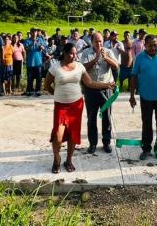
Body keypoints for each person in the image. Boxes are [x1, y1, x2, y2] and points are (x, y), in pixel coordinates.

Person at [44, 43, 115, 173]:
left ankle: (69, 160)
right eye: (71, 53)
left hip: (76, 105)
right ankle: (57, 159)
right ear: (64, 53)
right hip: (61, 106)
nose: (74, 56)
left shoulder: (80, 67)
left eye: (76, 53)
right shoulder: (55, 67)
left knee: (73, 134)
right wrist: (57, 94)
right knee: (58, 136)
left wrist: (107, 85)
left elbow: (90, 83)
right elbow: (47, 85)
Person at [129, 35, 157, 160]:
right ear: (145, 45)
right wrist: (132, 95)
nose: (154, 48)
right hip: (146, 97)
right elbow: (133, 76)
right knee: (147, 124)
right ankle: (146, 149)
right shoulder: (139, 58)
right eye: (150, 45)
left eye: (155, 45)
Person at [79, 32, 119, 154]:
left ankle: (106, 143)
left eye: (101, 41)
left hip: (106, 89)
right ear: (92, 41)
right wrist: (96, 59)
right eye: (96, 41)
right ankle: (92, 143)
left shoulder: (108, 51)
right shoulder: (86, 53)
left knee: (106, 116)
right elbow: (83, 68)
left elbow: (116, 65)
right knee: (91, 117)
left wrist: (106, 58)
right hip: (90, 89)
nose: (99, 43)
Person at [25, 27, 47, 96]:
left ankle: (38, 90)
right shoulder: (27, 41)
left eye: (35, 32)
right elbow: (26, 49)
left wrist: (41, 46)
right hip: (30, 62)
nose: (34, 33)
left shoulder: (40, 40)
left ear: (37, 33)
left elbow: (44, 49)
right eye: (33, 32)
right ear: (30, 33)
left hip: (38, 62)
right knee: (30, 77)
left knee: (38, 77)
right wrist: (32, 43)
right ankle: (30, 90)